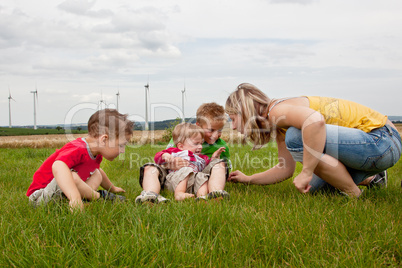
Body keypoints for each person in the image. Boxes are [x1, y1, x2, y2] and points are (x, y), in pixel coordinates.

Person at [226, 83, 401, 197]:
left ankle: (354, 195)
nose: (232, 126)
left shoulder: (276, 112)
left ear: (246, 111)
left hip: (382, 140)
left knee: (295, 136)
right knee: (316, 191)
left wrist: (307, 171)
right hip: (376, 146)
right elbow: (285, 168)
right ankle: (374, 179)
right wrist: (248, 179)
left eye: (233, 118)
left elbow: (314, 121)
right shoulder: (279, 124)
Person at [26, 109, 134, 210]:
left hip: (63, 193)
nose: (122, 151)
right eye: (121, 145)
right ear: (104, 140)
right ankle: (96, 197)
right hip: (41, 196)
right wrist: (74, 198)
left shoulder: (96, 153)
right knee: (72, 176)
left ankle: (84, 200)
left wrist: (112, 188)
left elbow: (97, 170)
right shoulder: (78, 148)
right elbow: (58, 166)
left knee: (97, 173)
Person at [135, 102, 230, 203]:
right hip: (173, 177)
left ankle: (214, 193)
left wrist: (214, 160)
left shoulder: (220, 147)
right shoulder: (182, 138)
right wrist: (168, 159)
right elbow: (160, 157)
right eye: (211, 130)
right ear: (198, 125)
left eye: (220, 130)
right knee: (150, 167)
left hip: (197, 179)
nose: (215, 135)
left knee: (219, 164)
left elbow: (213, 168)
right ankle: (151, 193)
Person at [153, 123, 226, 201]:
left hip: (193, 185)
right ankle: (179, 194)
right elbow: (157, 157)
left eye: (201, 143)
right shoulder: (176, 152)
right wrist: (165, 156)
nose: (200, 146)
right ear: (181, 146)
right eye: (196, 143)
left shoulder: (201, 158)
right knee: (186, 170)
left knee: (202, 176)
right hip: (175, 182)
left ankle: (202, 196)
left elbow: (208, 168)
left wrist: (214, 158)